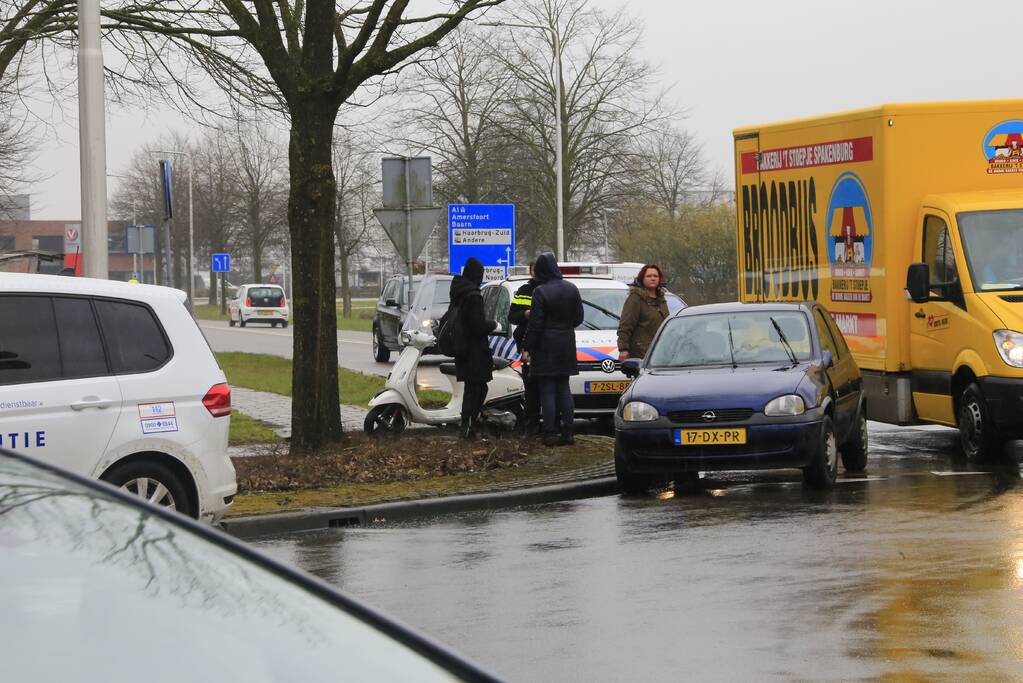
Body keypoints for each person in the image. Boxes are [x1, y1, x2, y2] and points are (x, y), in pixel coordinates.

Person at [525, 253, 583, 447]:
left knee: (547, 390)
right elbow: (579, 318)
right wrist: (564, 328)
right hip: (566, 343)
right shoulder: (572, 288)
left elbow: (535, 324)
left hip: (545, 346)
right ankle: (568, 432)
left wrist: (528, 346)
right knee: (564, 388)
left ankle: (550, 432)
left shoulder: (540, 291)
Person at [447, 258, 500, 439]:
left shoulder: (458, 292)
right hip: (474, 350)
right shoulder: (473, 296)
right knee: (476, 389)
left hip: (461, 347)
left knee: (474, 388)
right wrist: (493, 324)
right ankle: (468, 427)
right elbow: (477, 326)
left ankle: (468, 425)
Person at [508, 260, 541, 435]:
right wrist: (524, 314)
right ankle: (531, 427)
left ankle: (551, 425)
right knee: (531, 388)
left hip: (546, 345)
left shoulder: (551, 289)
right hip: (527, 346)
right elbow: (511, 316)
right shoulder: (524, 290)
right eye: (533, 270)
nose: (536, 273)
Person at [617, 264, 670, 361]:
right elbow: (625, 326)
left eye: (656, 276)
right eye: (649, 276)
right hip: (641, 354)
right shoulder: (635, 299)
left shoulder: (662, 299)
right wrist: (623, 349)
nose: (653, 278)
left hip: (660, 352)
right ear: (642, 279)